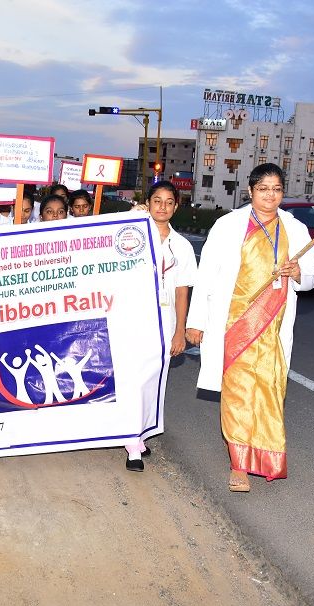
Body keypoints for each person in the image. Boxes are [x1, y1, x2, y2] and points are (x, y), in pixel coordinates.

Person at [185, 163, 314, 492]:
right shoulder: (228, 225)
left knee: (270, 393)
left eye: (276, 189)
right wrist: (196, 322)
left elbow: (313, 276)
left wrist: (297, 271)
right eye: (263, 189)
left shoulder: (295, 229)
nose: (270, 195)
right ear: (250, 191)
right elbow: (207, 277)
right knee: (239, 394)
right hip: (235, 324)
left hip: (273, 327)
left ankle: (267, 458)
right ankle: (239, 465)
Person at [126, 181, 197, 472]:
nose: (162, 207)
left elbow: (182, 291)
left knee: (155, 378)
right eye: (157, 201)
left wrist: (180, 330)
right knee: (135, 378)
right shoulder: (132, 234)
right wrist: (133, 215)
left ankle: (140, 433)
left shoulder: (182, 246)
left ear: (176, 207)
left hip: (165, 320)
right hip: (134, 317)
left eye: (169, 202)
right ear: (148, 202)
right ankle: (132, 443)